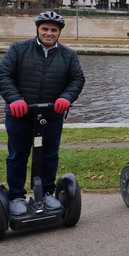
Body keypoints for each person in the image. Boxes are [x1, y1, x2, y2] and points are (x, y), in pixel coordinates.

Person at [0, 11, 85, 216]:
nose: (49, 33)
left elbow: (77, 80)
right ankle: (16, 196)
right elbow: (4, 75)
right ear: (38, 29)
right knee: (18, 155)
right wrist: (14, 98)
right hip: (20, 113)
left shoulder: (68, 55)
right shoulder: (19, 49)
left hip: (51, 115)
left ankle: (46, 193)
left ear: (59, 32)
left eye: (53, 30)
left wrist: (66, 98)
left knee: (49, 155)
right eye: (45, 29)